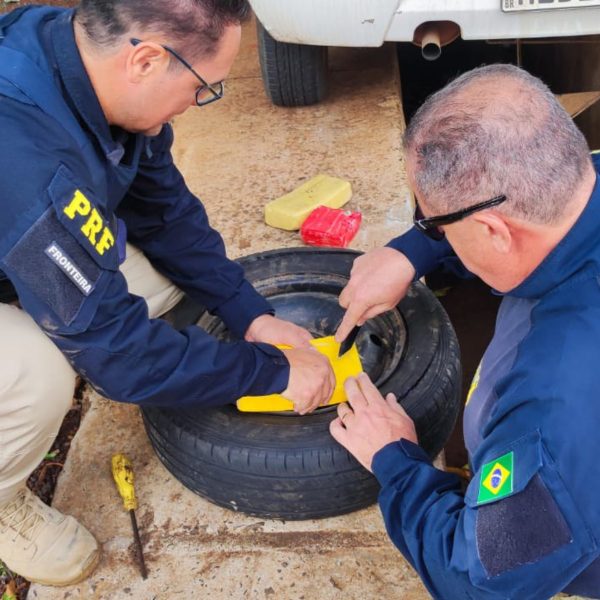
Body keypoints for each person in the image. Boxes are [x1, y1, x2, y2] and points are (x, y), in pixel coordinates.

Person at [0, 0, 336, 586]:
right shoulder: (19, 146)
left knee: (158, 279)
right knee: (36, 373)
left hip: (18, 234)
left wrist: (249, 314)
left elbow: (165, 212)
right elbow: (121, 360)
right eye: (205, 87)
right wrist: (272, 373)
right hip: (18, 221)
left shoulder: (78, 58)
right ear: (147, 60)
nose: (200, 103)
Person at [332, 64, 600, 599]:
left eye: (436, 224)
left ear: (494, 232)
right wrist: (414, 250)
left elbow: (477, 582)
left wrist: (396, 459)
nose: (433, 233)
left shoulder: (554, 406)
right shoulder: (576, 179)